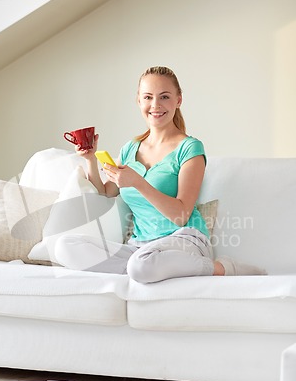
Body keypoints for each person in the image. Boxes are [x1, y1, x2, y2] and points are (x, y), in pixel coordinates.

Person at [55, 66, 266, 282]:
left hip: (184, 238)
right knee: (64, 247)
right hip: (141, 247)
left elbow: (181, 215)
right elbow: (107, 192)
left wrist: (138, 183)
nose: (155, 105)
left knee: (140, 264)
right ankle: (148, 269)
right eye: (148, 97)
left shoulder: (189, 148)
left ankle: (223, 268)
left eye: (164, 97)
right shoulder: (130, 148)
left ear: (178, 100)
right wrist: (90, 159)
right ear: (139, 101)